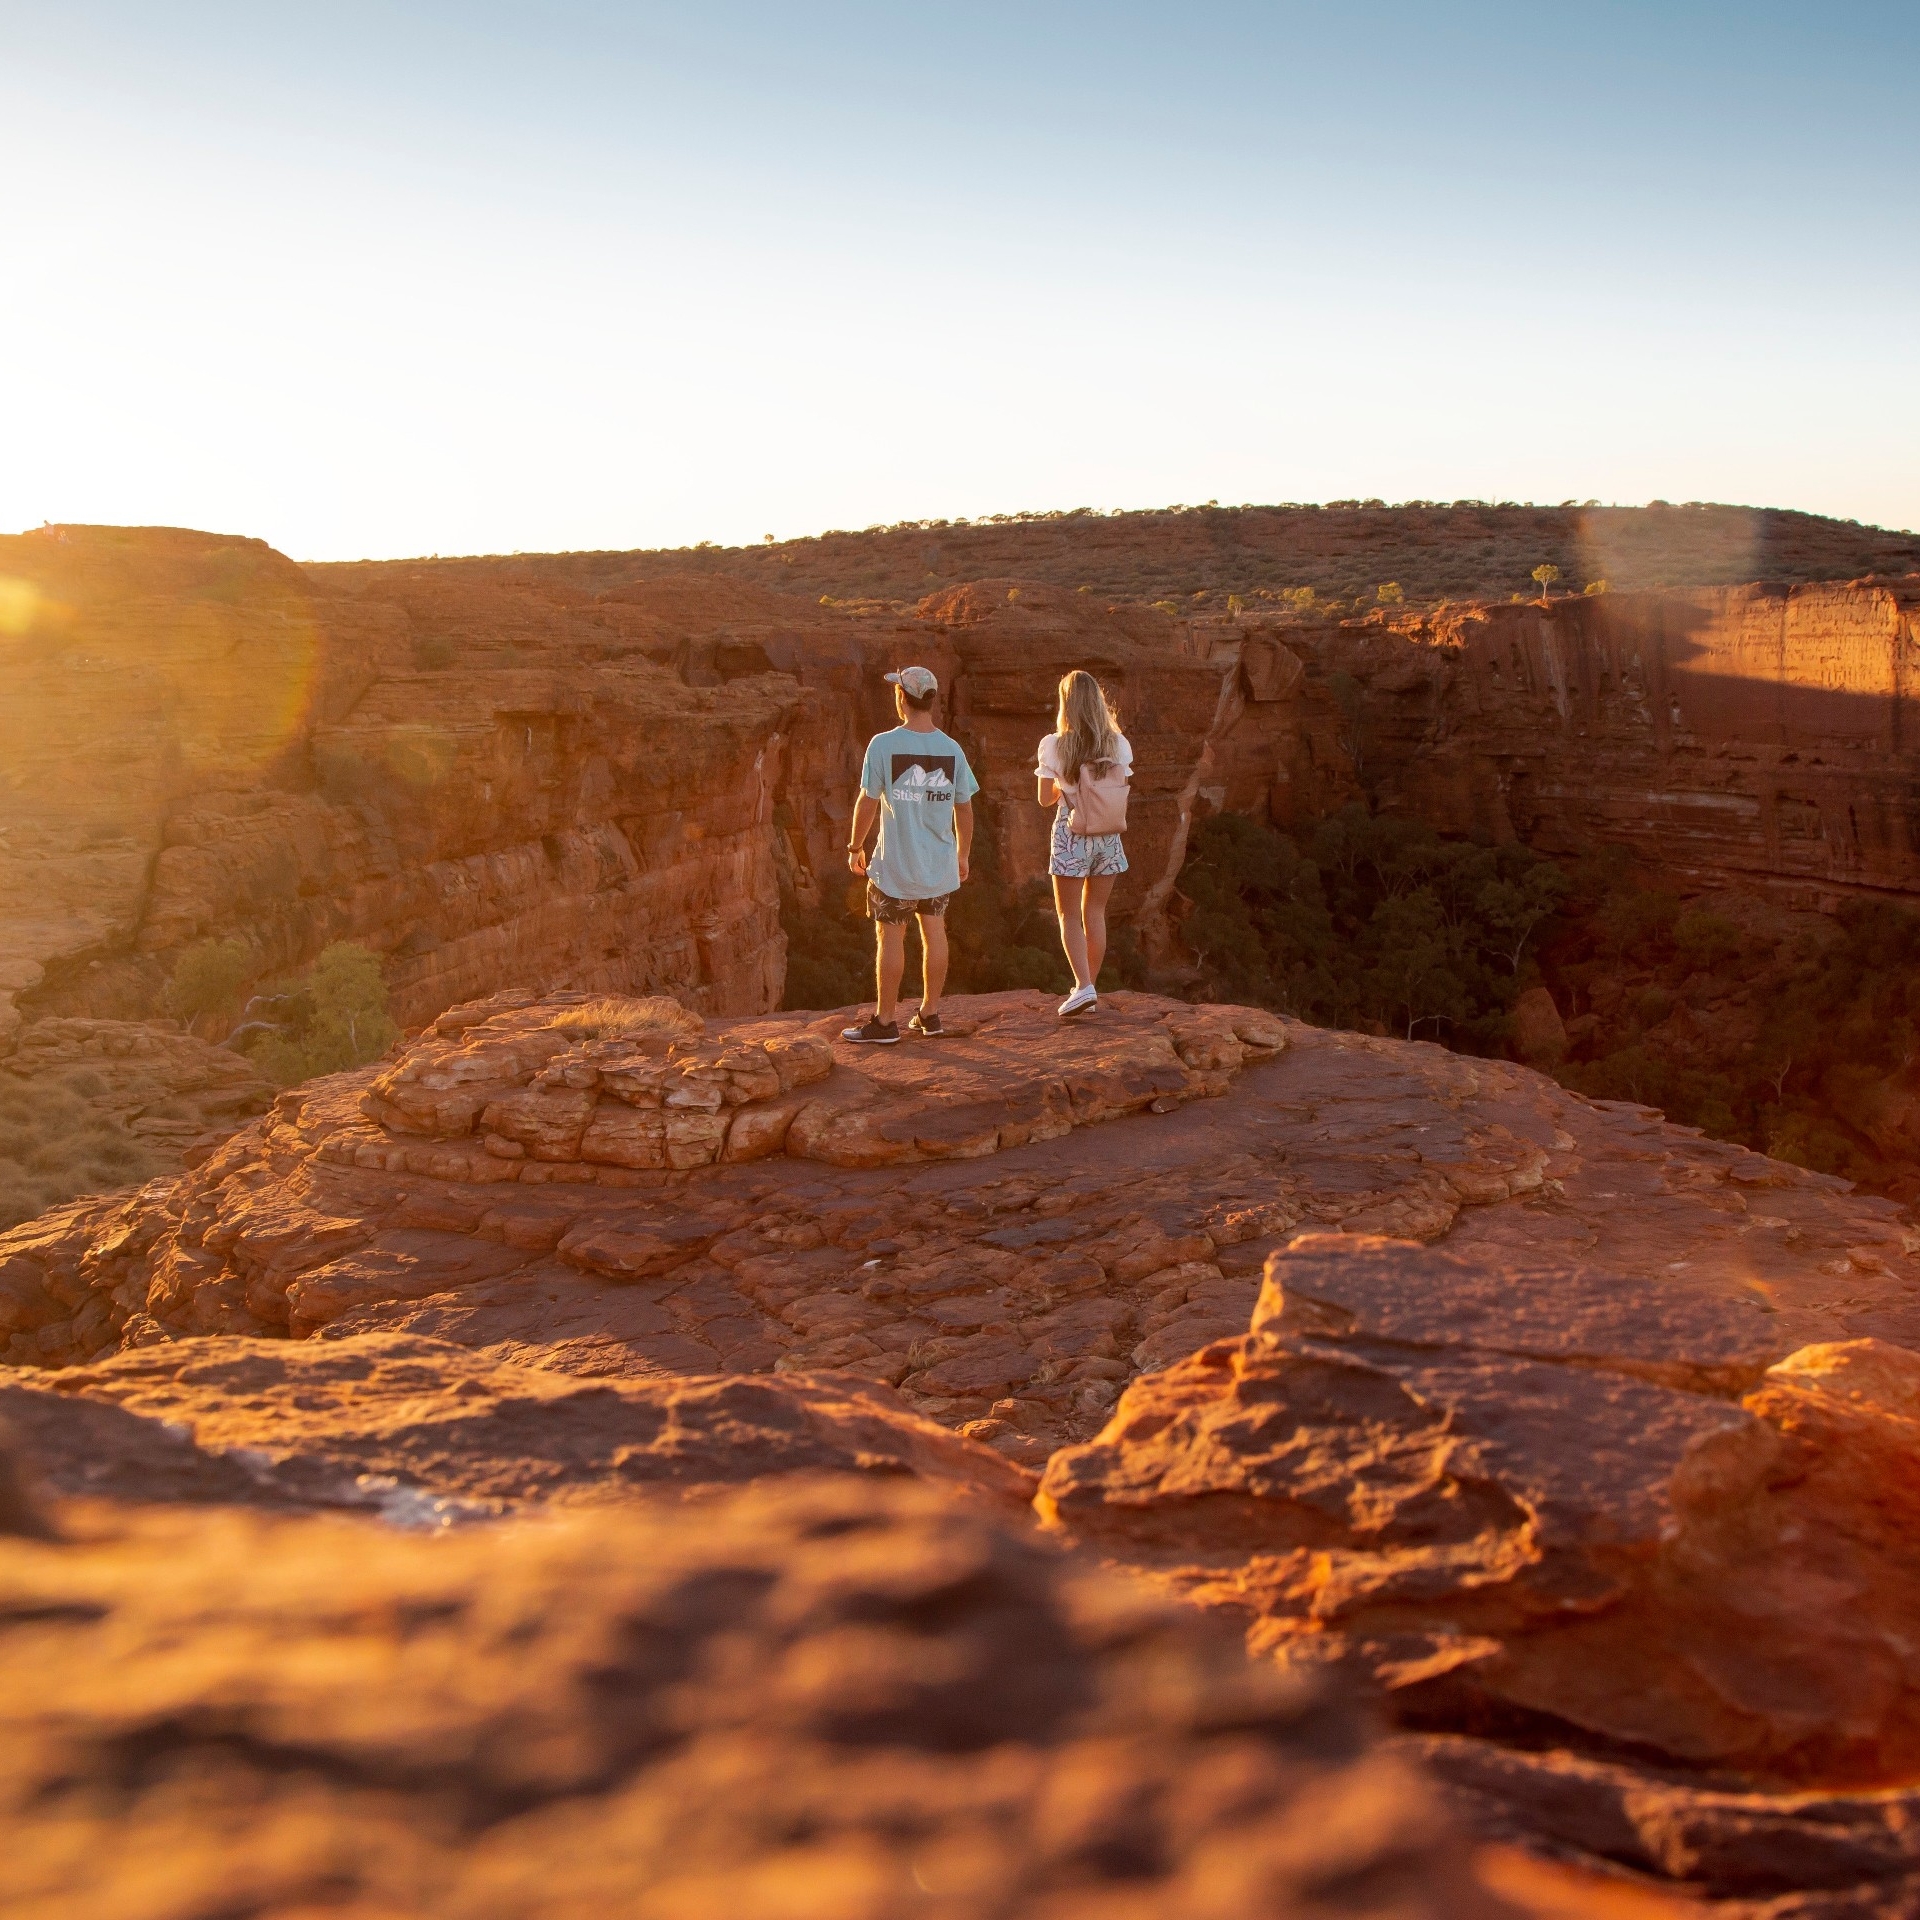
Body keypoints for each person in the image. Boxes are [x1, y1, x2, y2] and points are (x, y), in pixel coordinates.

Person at [841, 665, 978, 1044]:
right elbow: (964, 807)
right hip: (938, 863)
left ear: (902, 698)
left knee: (891, 938)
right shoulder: (951, 749)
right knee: (935, 933)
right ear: (931, 699)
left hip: (895, 866)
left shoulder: (883, 744)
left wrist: (855, 847)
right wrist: (963, 855)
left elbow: (867, 800)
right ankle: (930, 1014)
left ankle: (886, 1023)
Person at [1036, 670, 1131, 1017]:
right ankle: (1087, 988)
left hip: (1071, 833)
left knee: (1069, 914)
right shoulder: (1117, 744)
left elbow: (1045, 798)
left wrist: (1066, 784)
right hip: (1108, 834)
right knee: (1096, 912)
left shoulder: (1054, 745)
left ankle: (1084, 986)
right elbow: (1119, 784)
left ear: (1067, 704)